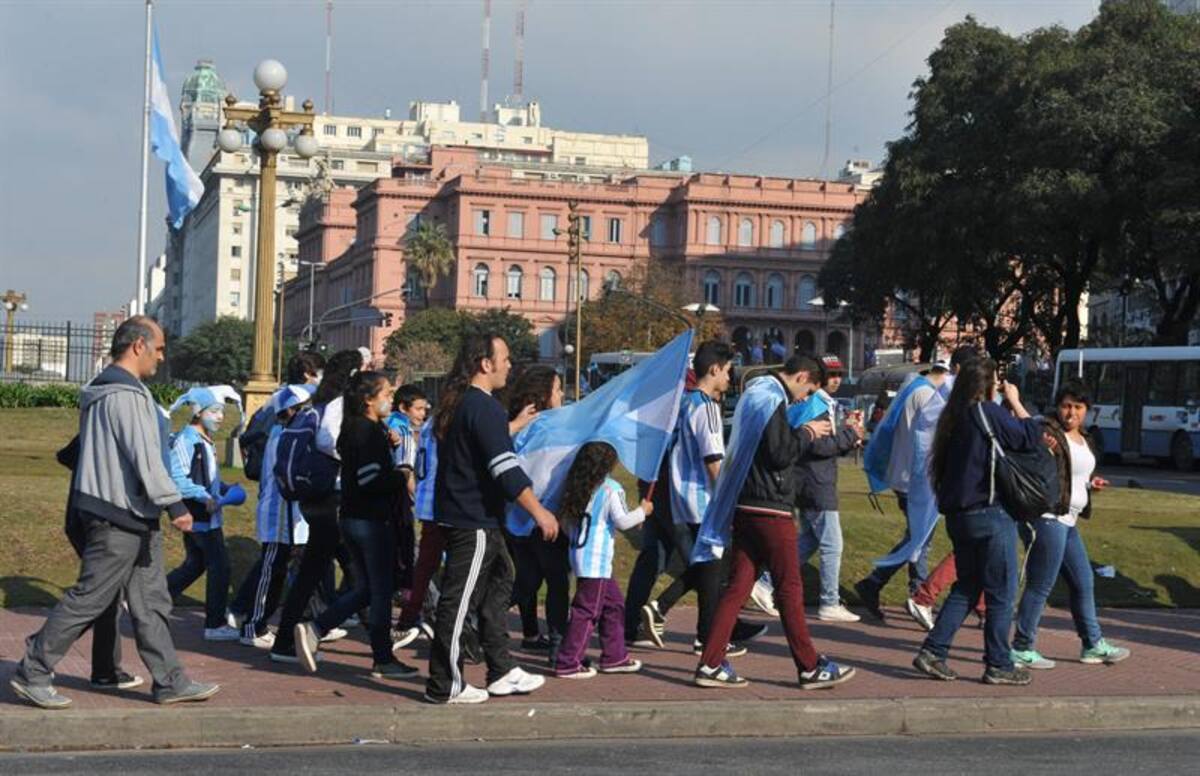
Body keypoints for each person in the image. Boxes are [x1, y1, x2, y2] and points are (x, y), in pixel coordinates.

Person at [12, 316, 218, 709]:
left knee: (151, 601)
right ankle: (33, 669)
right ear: (138, 345)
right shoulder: (125, 395)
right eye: (159, 349)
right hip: (117, 515)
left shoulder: (111, 391)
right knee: (90, 598)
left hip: (132, 514)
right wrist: (174, 504)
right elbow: (145, 456)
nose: (162, 357)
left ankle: (170, 681)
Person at [691, 356, 855, 690]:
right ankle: (809, 666)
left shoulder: (757, 392)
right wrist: (808, 431)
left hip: (746, 502)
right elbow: (780, 453)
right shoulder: (772, 397)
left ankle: (710, 663)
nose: (805, 399)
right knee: (789, 588)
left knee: (738, 587)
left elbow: (766, 446)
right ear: (802, 376)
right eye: (809, 391)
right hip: (770, 506)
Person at [425, 333, 559, 704]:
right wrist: (539, 511)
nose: (510, 365)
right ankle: (444, 684)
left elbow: (480, 444)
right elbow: (504, 468)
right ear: (485, 364)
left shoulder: (469, 404)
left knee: (501, 583)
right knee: (458, 602)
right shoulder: (482, 406)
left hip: (476, 518)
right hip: (472, 521)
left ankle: (501, 670)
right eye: (505, 358)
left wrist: (511, 426)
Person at [912, 358, 1044, 686]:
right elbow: (1030, 436)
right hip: (989, 513)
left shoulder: (953, 418)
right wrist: (1015, 401)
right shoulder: (987, 411)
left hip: (959, 516)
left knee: (968, 586)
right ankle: (998, 663)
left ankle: (933, 650)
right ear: (988, 385)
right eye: (996, 382)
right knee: (1001, 592)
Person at [639, 341, 763, 655]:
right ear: (715, 369)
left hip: (683, 497)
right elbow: (713, 461)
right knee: (713, 566)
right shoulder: (706, 407)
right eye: (728, 371)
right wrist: (727, 500)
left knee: (709, 566)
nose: (730, 378)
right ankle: (701, 634)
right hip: (703, 498)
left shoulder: (686, 402)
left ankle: (688, 624)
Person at [295, 372, 420, 679]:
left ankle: (318, 628)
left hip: (353, 517)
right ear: (368, 399)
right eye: (386, 394)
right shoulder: (366, 431)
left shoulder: (357, 428)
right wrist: (402, 473)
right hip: (370, 520)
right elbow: (371, 480)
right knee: (380, 592)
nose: (391, 399)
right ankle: (381, 657)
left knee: (368, 588)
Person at [1010, 380, 1130, 670]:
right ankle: (1022, 647)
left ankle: (1092, 644)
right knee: (1041, 584)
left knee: (1083, 581)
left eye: (1078, 407)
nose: (1071, 413)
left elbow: (1072, 475)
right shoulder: (1049, 431)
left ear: (1087, 409)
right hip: (1049, 518)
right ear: (1058, 407)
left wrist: (1090, 484)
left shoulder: (1085, 437)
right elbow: (1029, 428)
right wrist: (1014, 400)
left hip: (1069, 519)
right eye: (1066, 406)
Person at [855, 347, 976, 622]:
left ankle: (892, 586)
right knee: (920, 539)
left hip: (907, 474)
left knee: (918, 537)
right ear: (955, 370)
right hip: (916, 477)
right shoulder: (930, 396)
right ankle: (907, 590)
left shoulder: (914, 388)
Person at [270, 349, 362, 664]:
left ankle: (286, 640)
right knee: (363, 573)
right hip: (331, 496)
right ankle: (320, 629)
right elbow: (328, 440)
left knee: (314, 571)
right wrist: (355, 456)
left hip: (316, 497)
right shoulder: (338, 403)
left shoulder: (318, 402)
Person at [228, 385, 314, 649]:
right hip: (279, 514)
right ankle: (253, 626)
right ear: (290, 411)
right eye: (303, 409)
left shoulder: (285, 434)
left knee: (279, 572)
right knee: (270, 573)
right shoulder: (283, 436)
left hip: (288, 515)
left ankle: (262, 622)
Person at [554, 442, 650, 678]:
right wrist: (643, 511)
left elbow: (565, 523)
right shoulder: (610, 489)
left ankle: (615, 656)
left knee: (614, 606)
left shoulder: (577, 486)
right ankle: (568, 662)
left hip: (580, 554)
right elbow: (623, 521)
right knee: (586, 612)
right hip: (595, 561)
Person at [165, 385, 244, 641]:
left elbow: (206, 476)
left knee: (196, 564)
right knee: (220, 567)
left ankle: (148, 602)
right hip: (197, 516)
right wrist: (205, 497)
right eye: (214, 411)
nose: (220, 417)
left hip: (207, 516)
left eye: (221, 412)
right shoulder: (187, 440)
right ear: (198, 413)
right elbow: (178, 477)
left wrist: (223, 488)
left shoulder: (205, 440)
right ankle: (215, 624)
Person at [503, 365, 568, 658]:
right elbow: (540, 474)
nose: (562, 395)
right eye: (557, 389)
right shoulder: (550, 429)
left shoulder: (520, 425)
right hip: (543, 516)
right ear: (544, 395)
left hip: (517, 518)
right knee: (556, 581)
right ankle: (558, 644)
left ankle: (475, 619)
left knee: (527, 581)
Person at [793, 355, 864, 622]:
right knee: (832, 545)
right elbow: (818, 446)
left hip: (811, 481)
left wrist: (846, 436)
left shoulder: (819, 402)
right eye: (831, 375)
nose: (836, 380)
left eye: (839, 375)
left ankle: (766, 581)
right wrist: (851, 435)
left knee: (809, 540)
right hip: (816, 482)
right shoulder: (817, 403)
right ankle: (829, 601)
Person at [386, 384, 430, 596]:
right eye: (418, 409)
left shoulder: (388, 423)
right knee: (405, 547)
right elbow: (405, 471)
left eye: (424, 409)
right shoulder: (402, 431)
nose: (423, 414)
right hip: (398, 498)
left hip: (385, 496)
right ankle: (409, 596)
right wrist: (418, 500)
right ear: (404, 408)